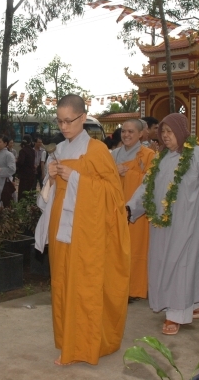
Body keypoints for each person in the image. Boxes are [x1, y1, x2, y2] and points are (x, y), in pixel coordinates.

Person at [34, 94, 130, 365]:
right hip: (60, 227)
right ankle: (68, 341)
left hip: (86, 230)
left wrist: (76, 178)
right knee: (62, 283)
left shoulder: (96, 150)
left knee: (84, 283)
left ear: (83, 118)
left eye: (69, 121)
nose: (64, 127)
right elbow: (47, 196)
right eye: (60, 121)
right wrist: (51, 178)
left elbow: (114, 195)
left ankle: (86, 345)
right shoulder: (59, 150)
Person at [128, 113, 199, 335]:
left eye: (170, 132)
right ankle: (194, 304)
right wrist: (130, 208)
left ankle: (176, 314)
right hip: (162, 226)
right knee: (168, 265)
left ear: (182, 132)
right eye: (163, 132)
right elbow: (147, 188)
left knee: (181, 266)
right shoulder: (161, 158)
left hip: (189, 224)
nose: (166, 136)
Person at [111, 119, 155, 300]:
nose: (126, 135)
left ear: (140, 134)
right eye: (124, 131)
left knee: (136, 248)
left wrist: (128, 173)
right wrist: (114, 171)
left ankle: (134, 289)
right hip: (115, 208)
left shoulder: (148, 155)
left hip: (136, 211)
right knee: (116, 248)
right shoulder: (113, 155)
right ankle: (116, 286)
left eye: (131, 132)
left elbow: (150, 184)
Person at [0, 135, 16, 208]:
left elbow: (12, 169)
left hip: (3, 182)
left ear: (5, 143)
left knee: (4, 203)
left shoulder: (9, 155)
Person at [16, 135, 37, 201]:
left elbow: (20, 162)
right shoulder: (32, 151)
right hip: (31, 174)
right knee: (28, 191)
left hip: (24, 175)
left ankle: (21, 205)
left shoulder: (22, 151)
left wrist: (16, 162)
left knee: (22, 193)